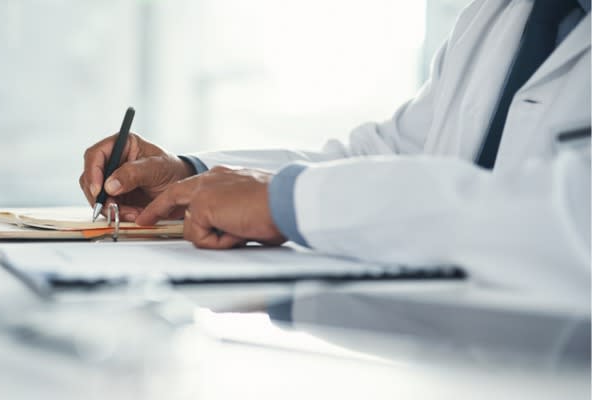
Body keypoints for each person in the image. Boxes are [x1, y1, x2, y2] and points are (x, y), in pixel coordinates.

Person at [80, 0, 590, 296]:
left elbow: (569, 215)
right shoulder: (498, 14)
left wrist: (289, 202)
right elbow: (385, 157)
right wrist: (188, 178)